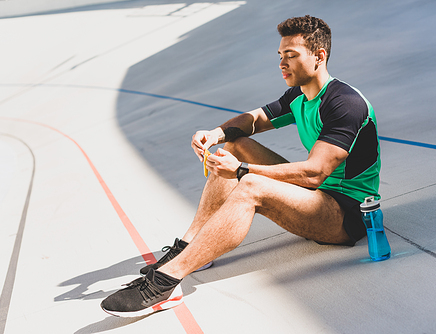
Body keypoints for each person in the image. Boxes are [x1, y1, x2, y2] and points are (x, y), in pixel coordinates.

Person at [101, 15, 381, 318]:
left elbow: (315, 173)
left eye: (291, 55)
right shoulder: (300, 96)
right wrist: (216, 134)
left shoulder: (345, 104)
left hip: (349, 215)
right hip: (315, 197)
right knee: (234, 146)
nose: (282, 63)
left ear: (319, 56)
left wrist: (240, 171)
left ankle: (166, 283)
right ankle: (190, 247)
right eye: (280, 56)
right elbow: (255, 120)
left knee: (250, 185)